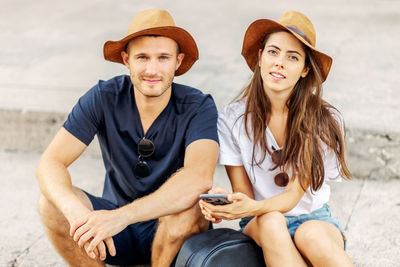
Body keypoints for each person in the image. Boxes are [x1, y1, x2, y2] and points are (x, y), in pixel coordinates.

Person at [36, 9, 219, 267]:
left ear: (178, 62)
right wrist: (74, 212)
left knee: (191, 208)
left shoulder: (199, 106)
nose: (152, 69)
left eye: (163, 58)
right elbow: (50, 162)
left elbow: (198, 178)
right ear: (126, 60)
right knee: (50, 205)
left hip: (173, 233)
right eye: (142, 57)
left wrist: (123, 216)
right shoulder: (103, 96)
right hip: (114, 230)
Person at [200, 11, 354, 266]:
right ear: (260, 57)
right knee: (272, 221)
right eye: (273, 52)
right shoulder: (233, 119)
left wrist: (246, 206)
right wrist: (228, 205)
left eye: (292, 57)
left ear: (305, 69)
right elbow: (244, 197)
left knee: (312, 235)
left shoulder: (322, 120)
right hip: (259, 222)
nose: (280, 62)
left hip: (313, 217)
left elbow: (293, 197)